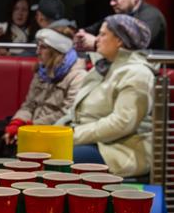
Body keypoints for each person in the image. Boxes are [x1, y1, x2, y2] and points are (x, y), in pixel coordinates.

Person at [64, 14, 156, 177]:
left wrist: (72, 136)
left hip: (122, 150)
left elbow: (121, 124)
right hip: (94, 142)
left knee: (56, 160)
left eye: (103, 34)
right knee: (36, 151)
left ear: (119, 40)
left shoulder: (138, 73)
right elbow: (76, 111)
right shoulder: (103, 67)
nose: (97, 39)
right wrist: (53, 132)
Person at [0, 28, 86, 159]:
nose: (37, 52)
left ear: (56, 51)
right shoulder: (42, 72)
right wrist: (15, 124)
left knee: (14, 146)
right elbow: (29, 105)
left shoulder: (77, 76)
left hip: (51, 129)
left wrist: (29, 128)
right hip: (30, 124)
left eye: (43, 47)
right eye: (37, 46)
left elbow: (65, 114)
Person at [74, 0, 167, 51]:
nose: (112, 3)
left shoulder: (152, 16)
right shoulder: (119, 15)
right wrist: (81, 36)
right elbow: (90, 30)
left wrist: (96, 43)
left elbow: (135, 45)